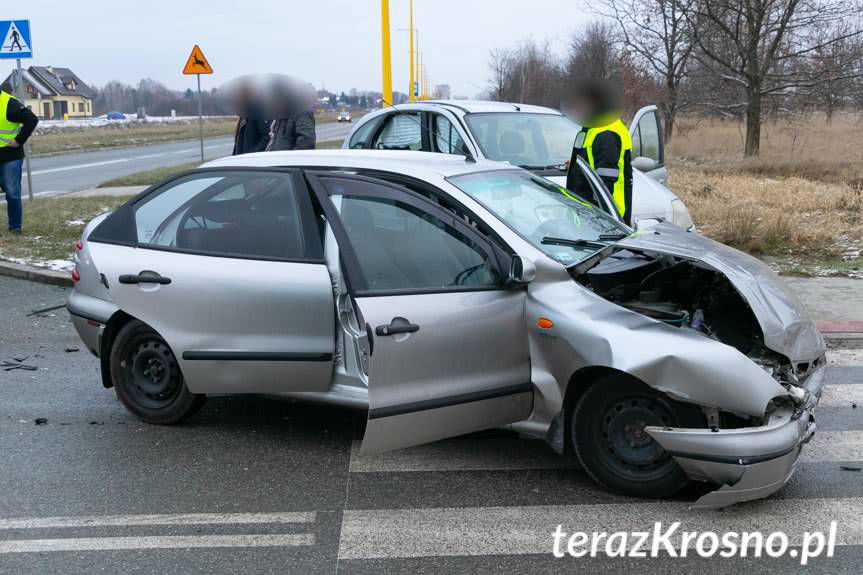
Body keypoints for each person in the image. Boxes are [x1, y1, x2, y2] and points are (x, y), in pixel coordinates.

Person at [564, 81, 633, 226]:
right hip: (589, 214)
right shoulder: (595, 127)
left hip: (602, 219)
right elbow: (594, 160)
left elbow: (604, 184)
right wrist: (576, 167)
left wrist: (595, 220)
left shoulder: (607, 133)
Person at [0, 90, 38, 234]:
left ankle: (15, 227)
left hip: (10, 156)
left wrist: (18, 140)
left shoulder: (9, 103)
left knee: (12, 192)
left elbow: (31, 119)